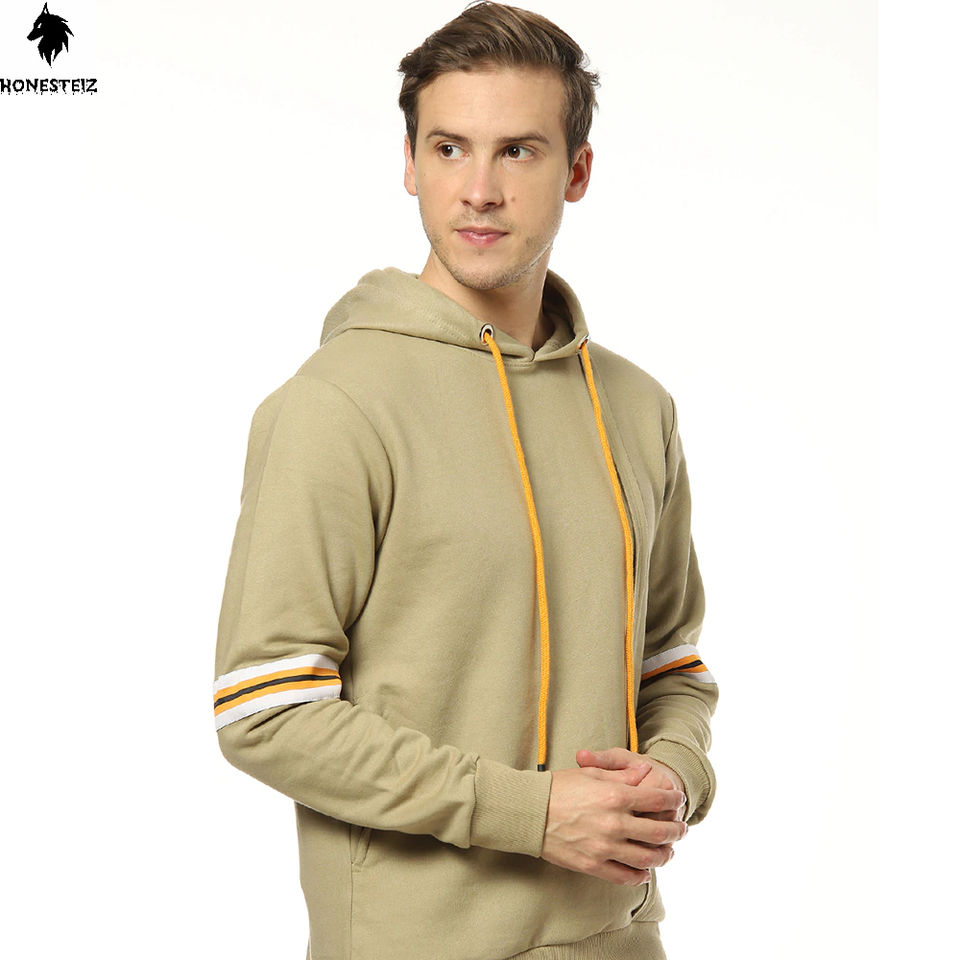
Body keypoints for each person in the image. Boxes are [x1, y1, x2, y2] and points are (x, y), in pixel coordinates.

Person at [212, 3, 717, 958]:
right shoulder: (337, 405)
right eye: (449, 149)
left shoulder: (637, 407)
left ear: (577, 171)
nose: (479, 191)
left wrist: (678, 774)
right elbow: (265, 708)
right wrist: (531, 813)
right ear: (410, 163)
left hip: (621, 937)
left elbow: (669, 663)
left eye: (518, 151)